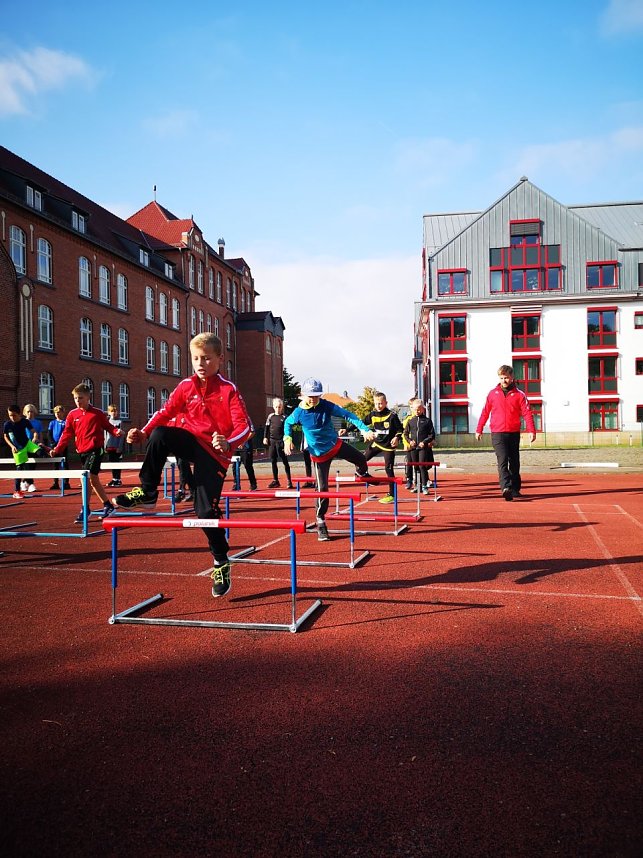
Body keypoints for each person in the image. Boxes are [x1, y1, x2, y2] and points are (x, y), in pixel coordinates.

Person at [113, 332, 252, 598]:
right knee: (160, 433)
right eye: (196, 358)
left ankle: (221, 560)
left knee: (205, 515)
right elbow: (164, 412)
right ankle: (148, 492)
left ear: (220, 359)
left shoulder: (228, 390)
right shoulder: (186, 386)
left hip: (214, 454)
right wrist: (142, 432)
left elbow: (246, 427)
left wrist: (228, 442)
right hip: (191, 442)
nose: (201, 364)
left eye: (207, 359)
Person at [283, 378, 374, 541]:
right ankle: (321, 522)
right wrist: (287, 439)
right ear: (303, 395)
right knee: (323, 490)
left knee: (361, 458)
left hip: (335, 445)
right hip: (319, 455)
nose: (313, 399)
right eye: (310, 396)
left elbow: (348, 415)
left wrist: (364, 429)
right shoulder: (299, 412)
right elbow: (287, 424)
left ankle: (362, 473)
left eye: (316, 396)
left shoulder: (326, 405)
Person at [50, 384, 122, 521]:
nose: (78, 401)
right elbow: (66, 434)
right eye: (76, 398)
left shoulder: (97, 413)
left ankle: (85, 508)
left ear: (88, 397)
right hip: (82, 451)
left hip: (96, 450)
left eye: (81, 398)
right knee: (93, 480)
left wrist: (116, 432)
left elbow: (108, 427)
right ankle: (107, 505)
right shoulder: (72, 415)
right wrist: (57, 449)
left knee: (86, 478)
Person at [475, 364, 536, 501]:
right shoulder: (492, 394)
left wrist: (531, 430)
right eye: (502, 378)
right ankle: (506, 488)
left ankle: (515, 489)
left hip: (513, 432)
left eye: (506, 378)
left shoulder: (520, 395)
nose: (504, 381)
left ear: (512, 377)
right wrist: (479, 429)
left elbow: (527, 413)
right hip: (497, 433)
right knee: (502, 460)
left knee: (514, 462)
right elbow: (485, 412)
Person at [363, 391, 403, 503]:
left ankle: (392, 495)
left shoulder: (392, 416)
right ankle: (367, 477)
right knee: (361, 459)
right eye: (376, 403)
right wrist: (347, 429)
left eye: (381, 403)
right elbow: (360, 423)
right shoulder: (372, 415)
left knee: (388, 469)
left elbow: (400, 429)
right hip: (376, 443)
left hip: (388, 446)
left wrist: (397, 438)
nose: (378, 406)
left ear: (386, 403)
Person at [3, 406, 47, 498]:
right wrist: (12, 446)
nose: (12, 417)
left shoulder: (24, 422)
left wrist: (35, 436)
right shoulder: (7, 424)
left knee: (41, 452)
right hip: (18, 448)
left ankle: (47, 450)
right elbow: (5, 437)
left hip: (28, 443)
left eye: (14, 415)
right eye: (10, 415)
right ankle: (17, 491)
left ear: (19, 414)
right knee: (19, 469)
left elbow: (34, 431)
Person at [403, 399, 436, 495]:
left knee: (422, 466)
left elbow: (432, 435)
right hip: (413, 447)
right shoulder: (410, 421)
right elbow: (405, 434)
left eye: (419, 409)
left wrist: (424, 442)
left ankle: (425, 486)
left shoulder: (427, 421)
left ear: (422, 409)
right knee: (416, 466)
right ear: (412, 409)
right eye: (415, 409)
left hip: (423, 448)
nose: (417, 411)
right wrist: (410, 441)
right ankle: (417, 486)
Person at [263, 398, 293, 489]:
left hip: (282, 442)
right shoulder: (270, 416)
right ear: (273, 407)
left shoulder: (285, 417)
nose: (278, 408)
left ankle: (289, 481)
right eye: (276, 407)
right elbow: (267, 427)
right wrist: (265, 437)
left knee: (285, 461)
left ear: (282, 407)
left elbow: (289, 430)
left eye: (279, 407)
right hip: (272, 441)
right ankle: (275, 480)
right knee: (273, 461)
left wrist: (289, 441)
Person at [47, 404, 71, 490]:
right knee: (55, 465)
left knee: (65, 464)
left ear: (63, 413)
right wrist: (53, 444)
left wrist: (62, 443)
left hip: (63, 446)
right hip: (54, 446)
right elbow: (49, 434)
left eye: (59, 412)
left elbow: (67, 434)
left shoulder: (66, 422)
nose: (57, 414)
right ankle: (55, 483)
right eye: (56, 413)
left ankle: (66, 482)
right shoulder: (52, 423)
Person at [21, 404, 44, 491]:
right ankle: (30, 483)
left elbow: (40, 433)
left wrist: (40, 442)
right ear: (25, 413)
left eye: (31, 411)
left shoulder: (38, 423)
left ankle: (24, 481)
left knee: (33, 465)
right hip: (25, 446)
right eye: (28, 412)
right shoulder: (22, 422)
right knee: (26, 464)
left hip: (34, 445)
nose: (30, 413)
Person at [105, 404, 125, 487]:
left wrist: (120, 447)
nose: (114, 413)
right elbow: (105, 434)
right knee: (112, 463)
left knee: (117, 462)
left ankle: (118, 479)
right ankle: (114, 479)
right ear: (109, 412)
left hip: (117, 446)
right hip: (109, 445)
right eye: (112, 411)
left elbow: (122, 435)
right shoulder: (107, 422)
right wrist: (105, 445)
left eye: (115, 411)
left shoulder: (120, 422)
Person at [234, 425, 258, 491]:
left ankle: (253, 484)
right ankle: (236, 484)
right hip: (235, 446)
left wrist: (243, 441)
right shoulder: (232, 419)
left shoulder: (247, 419)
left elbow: (252, 432)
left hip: (245, 447)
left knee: (248, 465)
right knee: (235, 466)